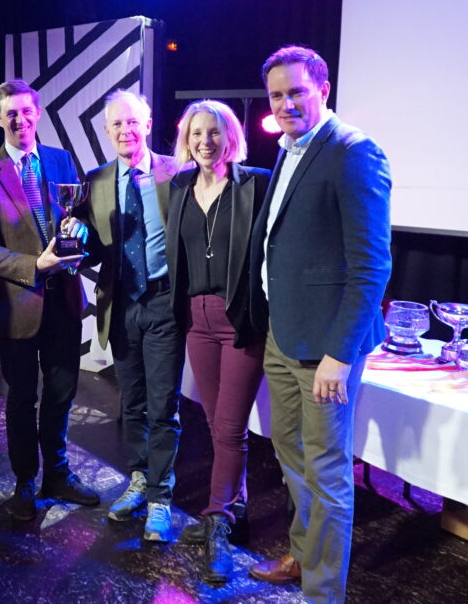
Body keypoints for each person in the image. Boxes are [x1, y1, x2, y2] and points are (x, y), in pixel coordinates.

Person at [247, 45, 391, 603]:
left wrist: (340, 353)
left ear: (323, 90)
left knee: (327, 469)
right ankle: (304, 557)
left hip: (326, 348)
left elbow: (371, 265)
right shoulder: (289, 149)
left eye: (296, 92)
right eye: (276, 95)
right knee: (290, 452)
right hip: (284, 336)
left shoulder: (353, 151)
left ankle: (323, 593)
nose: (285, 104)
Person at [0, 79, 99, 522]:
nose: (20, 120)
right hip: (16, 304)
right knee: (22, 398)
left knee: (61, 395)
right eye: (11, 113)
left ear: (37, 113)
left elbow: (81, 216)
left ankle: (57, 475)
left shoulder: (61, 159)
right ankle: (25, 481)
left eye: (27, 111)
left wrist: (80, 231)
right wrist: (34, 266)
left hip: (64, 301)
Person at [165, 100, 270, 585]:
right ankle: (235, 508)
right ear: (186, 140)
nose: (205, 141)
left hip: (240, 319)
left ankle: (217, 521)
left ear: (231, 137)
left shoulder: (256, 184)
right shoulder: (179, 186)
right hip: (196, 318)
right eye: (196, 133)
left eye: (214, 132)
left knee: (229, 427)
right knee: (214, 423)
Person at [77, 90, 184, 542]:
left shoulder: (176, 172)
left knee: (163, 407)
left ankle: (161, 498)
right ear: (106, 131)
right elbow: (88, 246)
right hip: (120, 304)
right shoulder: (96, 180)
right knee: (133, 404)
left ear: (148, 124)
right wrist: (75, 236)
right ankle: (139, 480)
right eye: (117, 124)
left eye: (133, 122)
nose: (125, 131)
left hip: (164, 302)